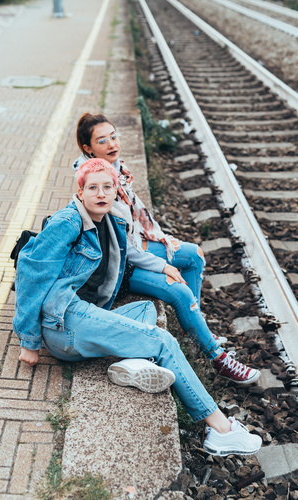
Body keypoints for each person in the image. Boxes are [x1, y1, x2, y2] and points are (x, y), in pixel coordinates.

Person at [13, 158, 262, 456]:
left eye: (108, 187)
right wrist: (28, 341)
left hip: (85, 318)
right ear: (80, 193)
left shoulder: (112, 221)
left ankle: (135, 364)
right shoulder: (67, 222)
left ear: (116, 191)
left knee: (145, 310)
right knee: (162, 340)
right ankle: (219, 429)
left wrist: (165, 268)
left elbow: (132, 253)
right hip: (63, 322)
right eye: (93, 187)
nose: (101, 193)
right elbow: (30, 275)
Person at [73, 113, 260, 385]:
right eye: (103, 140)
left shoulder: (116, 171)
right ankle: (217, 358)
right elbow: (125, 251)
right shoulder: (97, 186)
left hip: (134, 248)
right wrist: (163, 265)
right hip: (120, 268)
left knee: (194, 256)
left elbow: (134, 224)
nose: (113, 143)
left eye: (114, 136)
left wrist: (161, 239)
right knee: (178, 288)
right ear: (88, 149)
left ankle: (194, 328)